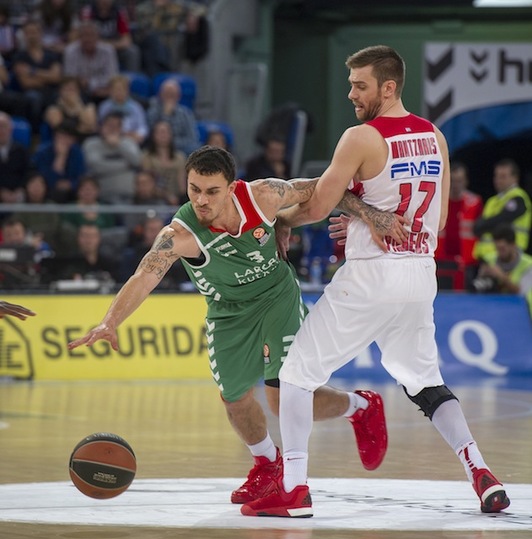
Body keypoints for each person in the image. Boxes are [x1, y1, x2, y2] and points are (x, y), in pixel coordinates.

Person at [241, 45, 511, 518]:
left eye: (360, 85)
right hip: (420, 276)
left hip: (371, 276)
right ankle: (480, 471)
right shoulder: (435, 136)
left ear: (388, 87)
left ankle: (295, 489)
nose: (351, 94)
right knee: (425, 383)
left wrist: (283, 221)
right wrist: (369, 221)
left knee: (295, 374)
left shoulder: (360, 138)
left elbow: (319, 205)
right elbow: (440, 218)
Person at [68, 145, 408, 506]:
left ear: (232, 187)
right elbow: (143, 275)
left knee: (281, 399)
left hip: (276, 298)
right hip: (227, 312)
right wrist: (110, 321)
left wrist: (370, 215)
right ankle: (267, 463)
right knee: (234, 399)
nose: (201, 199)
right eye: (194, 189)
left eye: (212, 191)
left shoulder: (263, 195)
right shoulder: (181, 233)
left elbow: (325, 187)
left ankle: (360, 407)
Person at [473, 158, 532, 265]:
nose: (498, 180)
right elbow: (477, 227)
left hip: (510, 257)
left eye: (503, 176)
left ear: (515, 178)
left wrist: (485, 225)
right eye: (496, 176)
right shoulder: (492, 201)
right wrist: (485, 225)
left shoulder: (518, 198)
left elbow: (501, 222)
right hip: (486, 257)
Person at [435, 161, 483, 290]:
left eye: (459, 181)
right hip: (440, 261)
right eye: (453, 180)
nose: (455, 185)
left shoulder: (475, 203)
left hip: (466, 263)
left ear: (466, 181)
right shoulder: (436, 200)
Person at [11, 20, 62, 131]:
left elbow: (57, 77)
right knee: (34, 98)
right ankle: (35, 133)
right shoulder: (19, 56)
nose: (32, 35)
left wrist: (32, 71)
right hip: (31, 93)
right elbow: (26, 83)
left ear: (40, 33)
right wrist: (47, 77)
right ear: (24, 35)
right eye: (28, 32)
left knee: (60, 97)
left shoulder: (51, 54)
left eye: (34, 32)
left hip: (52, 91)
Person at [82, 111, 142, 204]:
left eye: (117, 126)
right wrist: (126, 165)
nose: (113, 129)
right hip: (102, 196)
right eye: (110, 125)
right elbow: (96, 167)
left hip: (127, 196)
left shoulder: (128, 143)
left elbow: (137, 161)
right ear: (102, 126)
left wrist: (119, 145)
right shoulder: (91, 144)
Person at [472, 222, 532, 314]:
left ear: (513, 245)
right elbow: (479, 288)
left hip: (521, 313)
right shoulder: (489, 259)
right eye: (497, 248)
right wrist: (482, 275)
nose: (499, 253)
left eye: (502, 249)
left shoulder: (528, 264)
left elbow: (521, 295)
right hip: (495, 309)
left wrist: (501, 276)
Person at [63, 20, 119, 104]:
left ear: (98, 37)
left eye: (91, 35)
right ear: (79, 37)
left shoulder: (108, 51)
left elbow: (112, 76)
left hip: (105, 91)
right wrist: (90, 86)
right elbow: (71, 78)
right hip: (80, 92)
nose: (88, 39)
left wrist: (90, 83)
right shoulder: (70, 51)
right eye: (84, 36)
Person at [146, 78, 200, 156]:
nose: (169, 98)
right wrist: (166, 115)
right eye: (167, 94)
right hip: (157, 148)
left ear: (178, 96)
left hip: (181, 149)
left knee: (195, 149)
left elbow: (192, 138)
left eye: (172, 95)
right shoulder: (152, 112)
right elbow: (151, 136)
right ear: (160, 95)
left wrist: (172, 143)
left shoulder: (186, 113)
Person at [141, 120, 187, 206]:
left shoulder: (180, 157)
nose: (163, 135)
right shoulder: (147, 157)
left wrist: (180, 199)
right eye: (159, 132)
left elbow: (182, 185)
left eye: (165, 131)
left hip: (176, 198)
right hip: (154, 198)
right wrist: (167, 196)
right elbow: (148, 183)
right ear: (153, 135)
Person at [98, 75, 148, 145]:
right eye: (116, 89)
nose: (119, 92)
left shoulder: (136, 107)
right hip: (110, 139)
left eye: (121, 89)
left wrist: (139, 135)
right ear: (110, 91)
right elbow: (101, 125)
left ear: (127, 90)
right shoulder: (105, 107)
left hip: (132, 139)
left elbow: (142, 126)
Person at [44, 76, 98, 140]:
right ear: (60, 91)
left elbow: (90, 125)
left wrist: (78, 106)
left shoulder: (88, 105)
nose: (70, 93)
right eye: (66, 89)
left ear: (78, 91)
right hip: (61, 140)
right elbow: (58, 127)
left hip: (83, 139)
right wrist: (80, 127)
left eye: (72, 89)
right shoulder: (53, 106)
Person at [0, 111, 31, 204]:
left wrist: (21, 189)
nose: (1, 130)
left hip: (18, 194)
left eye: (4, 126)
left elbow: (28, 171)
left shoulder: (21, 150)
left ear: (10, 128)